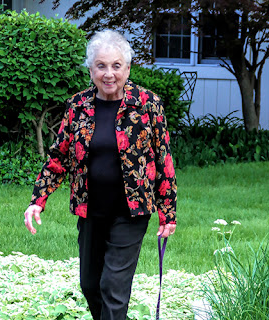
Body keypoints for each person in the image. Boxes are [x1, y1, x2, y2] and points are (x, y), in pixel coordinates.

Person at [23, 29, 177, 320]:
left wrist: (167, 212)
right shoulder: (77, 106)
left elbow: (163, 159)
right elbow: (59, 156)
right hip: (90, 210)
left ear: (128, 68)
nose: (109, 73)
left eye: (116, 66)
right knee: (91, 284)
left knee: (112, 287)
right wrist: (38, 199)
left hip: (131, 212)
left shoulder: (147, 105)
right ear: (91, 69)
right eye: (101, 66)